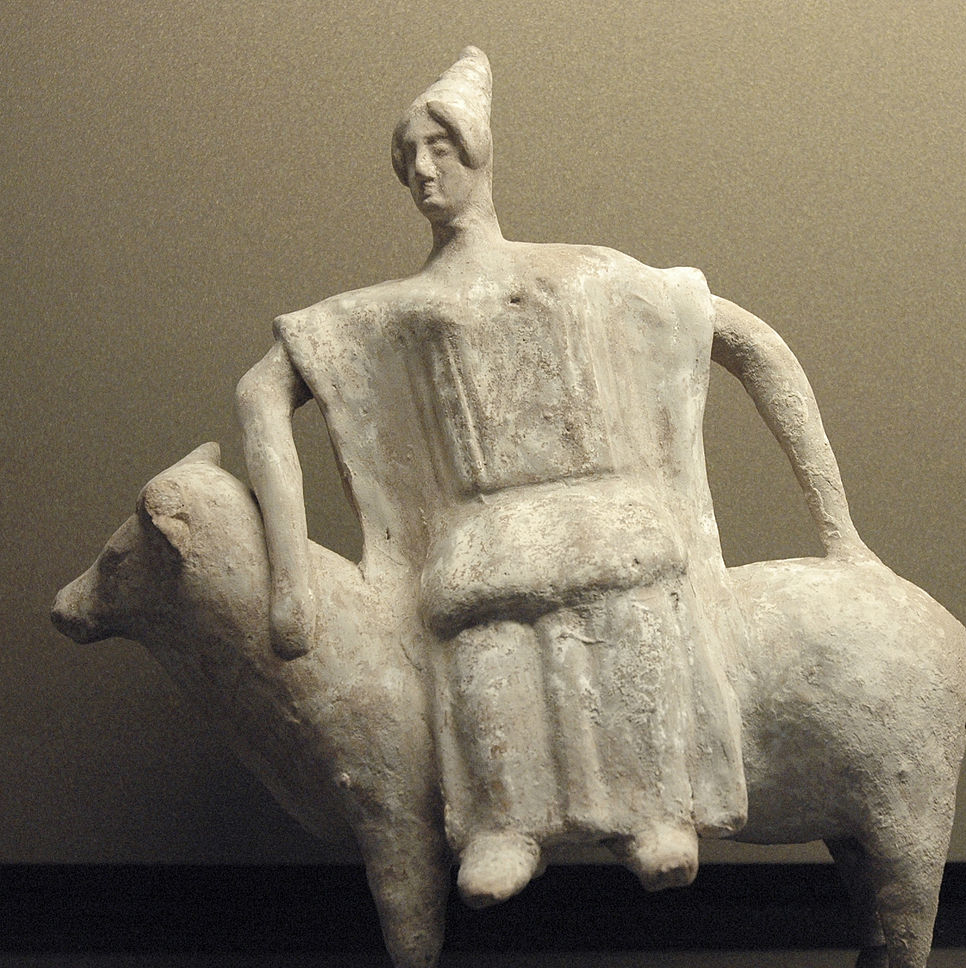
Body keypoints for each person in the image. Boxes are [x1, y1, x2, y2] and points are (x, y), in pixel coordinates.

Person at [236, 47, 872, 908]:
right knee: (487, 634)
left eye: (441, 149)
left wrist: (841, 532)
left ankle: (655, 808)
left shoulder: (583, 274)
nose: (423, 171)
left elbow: (751, 343)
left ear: (480, 152)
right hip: (487, 532)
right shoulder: (402, 308)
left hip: (607, 515)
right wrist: (290, 584)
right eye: (408, 158)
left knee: (627, 611)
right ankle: (506, 822)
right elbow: (261, 392)